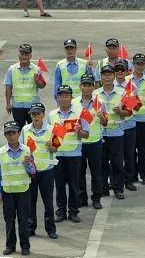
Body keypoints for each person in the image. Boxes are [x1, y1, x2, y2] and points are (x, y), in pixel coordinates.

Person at [0, 121, 32, 256]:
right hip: (8, 192)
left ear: (19, 134)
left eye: (14, 133)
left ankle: (25, 246)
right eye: (8, 133)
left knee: (23, 219)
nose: (11, 136)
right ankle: (10, 245)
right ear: (5, 135)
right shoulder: (0, 153)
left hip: (23, 191)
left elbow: (33, 171)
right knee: (9, 220)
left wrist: (29, 165)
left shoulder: (26, 150)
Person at [20, 102, 58, 240]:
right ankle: (31, 227)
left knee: (48, 202)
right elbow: (21, 149)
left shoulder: (51, 129)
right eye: (33, 114)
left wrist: (51, 146)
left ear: (43, 115)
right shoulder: (25, 130)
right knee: (31, 201)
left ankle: (50, 229)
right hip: (31, 172)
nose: (36, 117)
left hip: (47, 171)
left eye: (38, 114)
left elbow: (56, 149)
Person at [49, 86, 86, 223]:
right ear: (57, 98)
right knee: (59, 185)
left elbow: (86, 134)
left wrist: (80, 131)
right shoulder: (52, 115)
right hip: (57, 155)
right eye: (61, 96)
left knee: (74, 185)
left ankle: (74, 211)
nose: (63, 98)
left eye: (66, 96)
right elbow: (49, 134)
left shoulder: (79, 113)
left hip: (74, 155)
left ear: (71, 97)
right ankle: (61, 210)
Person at [73, 74, 106, 209]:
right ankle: (82, 198)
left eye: (89, 85)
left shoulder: (99, 102)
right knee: (79, 172)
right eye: (84, 85)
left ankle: (96, 198)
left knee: (96, 171)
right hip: (80, 142)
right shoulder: (74, 103)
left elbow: (105, 122)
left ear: (93, 87)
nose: (86, 88)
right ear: (80, 86)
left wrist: (101, 116)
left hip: (94, 141)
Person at [101, 63, 131, 200]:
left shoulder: (123, 92)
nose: (107, 77)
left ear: (113, 76)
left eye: (109, 75)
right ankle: (104, 189)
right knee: (102, 163)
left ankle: (118, 188)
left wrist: (121, 112)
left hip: (117, 133)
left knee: (117, 163)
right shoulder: (96, 94)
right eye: (104, 75)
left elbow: (130, 112)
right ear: (101, 77)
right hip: (101, 134)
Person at [127, 53, 145, 186]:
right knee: (131, 150)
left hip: (143, 119)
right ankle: (131, 176)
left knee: (144, 149)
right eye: (137, 63)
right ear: (133, 64)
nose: (139, 66)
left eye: (142, 63)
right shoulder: (127, 80)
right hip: (130, 119)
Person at [4, 43, 45, 128]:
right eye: (22, 54)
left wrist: (37, 80)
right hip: (17, 106)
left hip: (33, 106)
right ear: (18, 55)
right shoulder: (12, 69)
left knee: (34, 130)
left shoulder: (37, 69)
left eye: (26, 54)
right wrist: (8, 103)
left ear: (30, 56)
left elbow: (42, 86)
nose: (24, 57)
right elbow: (8, 87)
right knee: (19, 131)